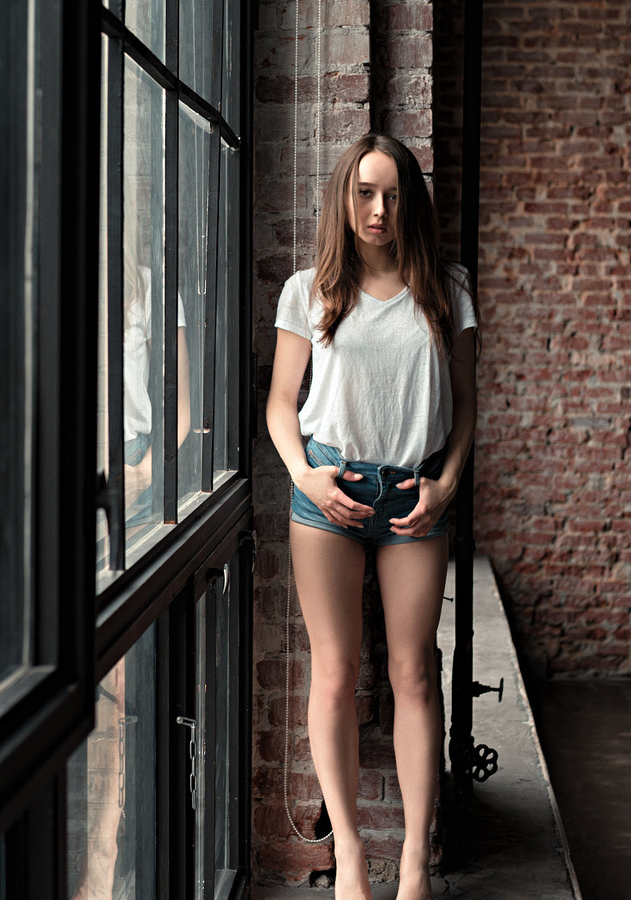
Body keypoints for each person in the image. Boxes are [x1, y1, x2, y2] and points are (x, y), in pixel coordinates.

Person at [267, 134, 478, 900]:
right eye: (364, 192)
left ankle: (415, 862)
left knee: (414, 673)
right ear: (344, 197)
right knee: (333, 672)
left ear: (409, 200)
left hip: (415, 497)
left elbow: (465, 410)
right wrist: (304, 477)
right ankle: (350, 854)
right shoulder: (310, 290)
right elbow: (280, 408)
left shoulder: (447, 288)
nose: (378, 209)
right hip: (327, 493)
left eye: (391, 194)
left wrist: (447, 486)